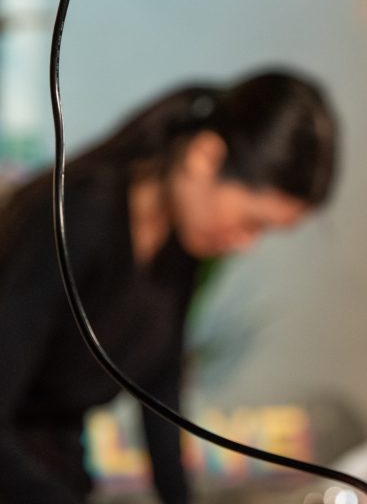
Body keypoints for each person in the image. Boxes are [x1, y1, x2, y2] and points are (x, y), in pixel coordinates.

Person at [0, 70, 336, 504]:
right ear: (205, 157)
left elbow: (161, 388)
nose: (246, 244)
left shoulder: (179, 249)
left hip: (56, 470)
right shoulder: (79, 217)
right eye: (252, 222)